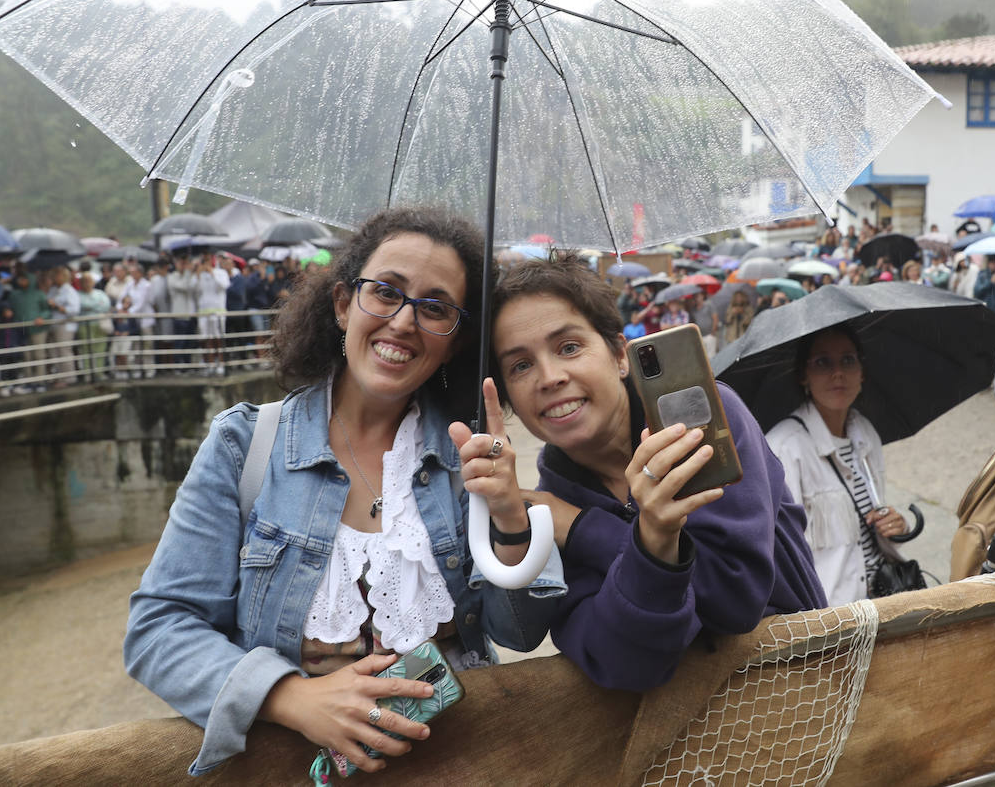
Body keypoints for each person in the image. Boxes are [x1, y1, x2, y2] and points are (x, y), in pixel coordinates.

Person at [125, 207, 563, 776]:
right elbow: (159, 628)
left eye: (435, 308)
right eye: (386, 292)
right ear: (341, 304)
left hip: (465, 764)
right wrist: (289, 697)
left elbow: (521, 632)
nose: (404, 323)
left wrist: (508, 514)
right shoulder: (244, 446)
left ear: (454, 341)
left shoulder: (471, 458)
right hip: (295, 769)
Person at [476, 255, 825, 691]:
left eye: (569, 347)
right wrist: (650, 544)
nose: (550, 377)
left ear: (620, 355)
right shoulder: (544, 511)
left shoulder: (701, 423)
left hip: (803, 691)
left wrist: (586, 528)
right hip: (679, 749)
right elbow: (620, 666)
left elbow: (736, 600)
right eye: (520, 366)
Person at [766, 326, 907, 606]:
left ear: (862, 372)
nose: (838, 373)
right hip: (829, 618)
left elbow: (869, 522)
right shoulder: (784, 448)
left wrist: (895, 526)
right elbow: (781, 552)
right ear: (803, 375)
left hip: (880, 603)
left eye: (848, 360)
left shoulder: (865, 433)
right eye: (822, 362)